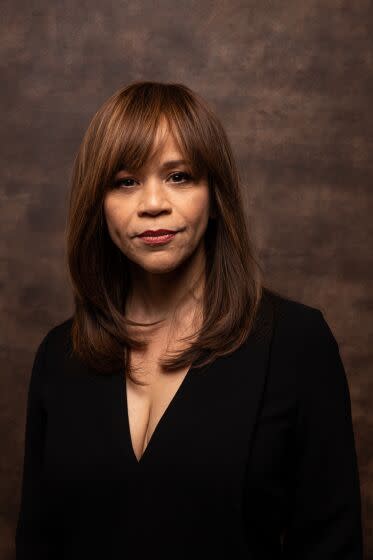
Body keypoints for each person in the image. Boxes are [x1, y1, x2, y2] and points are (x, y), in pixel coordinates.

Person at [15, 81, 364, 559]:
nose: (153, 202)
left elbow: (331, 545)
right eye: (125, 180)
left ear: (216, 195)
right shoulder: (59, 355)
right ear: (99, 205)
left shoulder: (296, 343)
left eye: (178, 176)